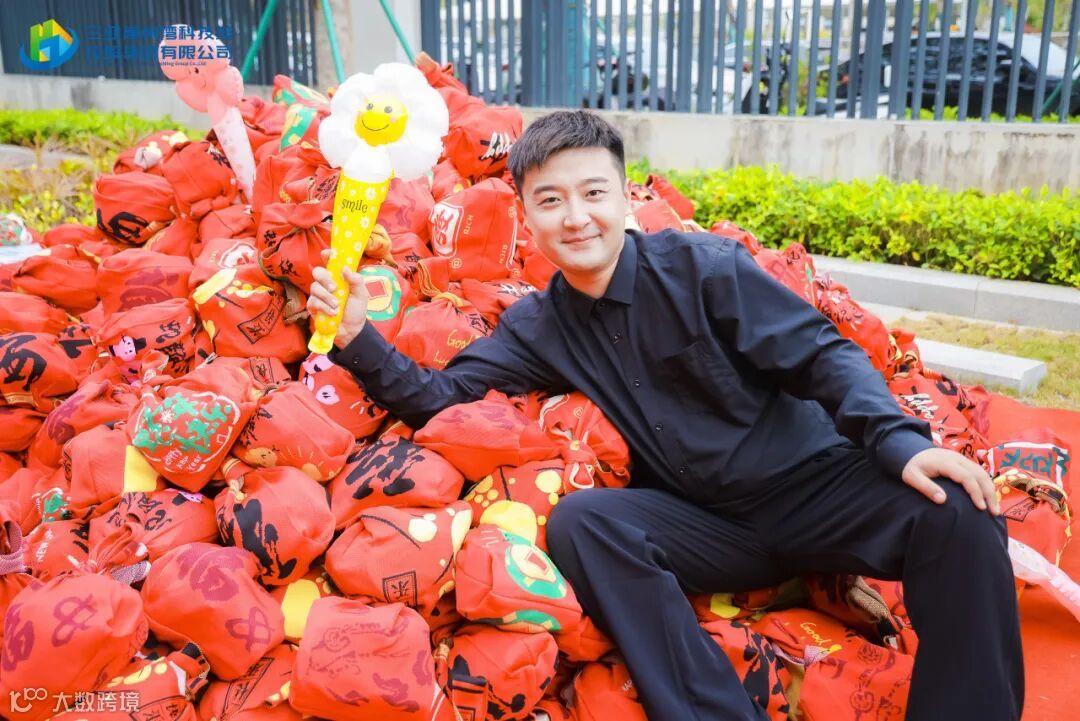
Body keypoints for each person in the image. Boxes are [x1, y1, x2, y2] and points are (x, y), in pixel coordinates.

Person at [308, 110, 1023, 721]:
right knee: (583, 524)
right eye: (551, 200)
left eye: (593, 192)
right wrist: (359, 337)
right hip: (709, 525)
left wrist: (899, 442)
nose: (576, 216)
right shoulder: (539, 325)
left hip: (815, 490)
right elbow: (445, 398)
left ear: (625, 196)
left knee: (958, 509)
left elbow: (820, 354)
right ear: (526, 216)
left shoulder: (704, 268)